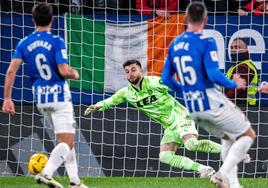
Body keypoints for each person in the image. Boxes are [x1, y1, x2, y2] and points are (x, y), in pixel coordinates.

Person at [161, 2, 256, 188]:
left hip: (192, 108)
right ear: (205, 20)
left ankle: (232, 184)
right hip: (210, 101)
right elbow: (213, 74)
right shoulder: (206, 41)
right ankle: (222, 175)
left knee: (228, 137)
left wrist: (185, 90)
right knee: (247, 134)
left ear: (186, 18)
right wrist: (233, 83)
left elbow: (166, 79)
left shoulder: (174, 44)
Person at [85, 59, 222, 177]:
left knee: (191, 145)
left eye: (133, 70)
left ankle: (232, 149)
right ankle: (203, 169)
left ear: (141, 71)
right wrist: (97, 106)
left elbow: (175, 86)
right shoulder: (126, 93)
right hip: (169, 126)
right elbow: (110, 101)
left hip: (180, 116)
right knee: (165, 156)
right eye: (127, 71)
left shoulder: (154, 82)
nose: (130, 74)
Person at [2, 3, 87, 188]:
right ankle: (47, 173)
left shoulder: (24, 43)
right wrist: (74, 73)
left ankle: (75, 182)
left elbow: (10, 71)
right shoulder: (56, 41)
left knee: (64, 141)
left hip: (41, 98)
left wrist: (7, 98)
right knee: (68, 142)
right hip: (59, 96)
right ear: (52, 19)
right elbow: (63, 70)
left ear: (33, 20)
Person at [225, 38, 258, 106]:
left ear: (246, 50)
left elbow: (234, 93)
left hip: (244, 109)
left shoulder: (244, 68)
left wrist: (221, 103)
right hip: (238, 107)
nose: (233, 50)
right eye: (231, 48)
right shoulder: (234, 67)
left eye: (237, 47)